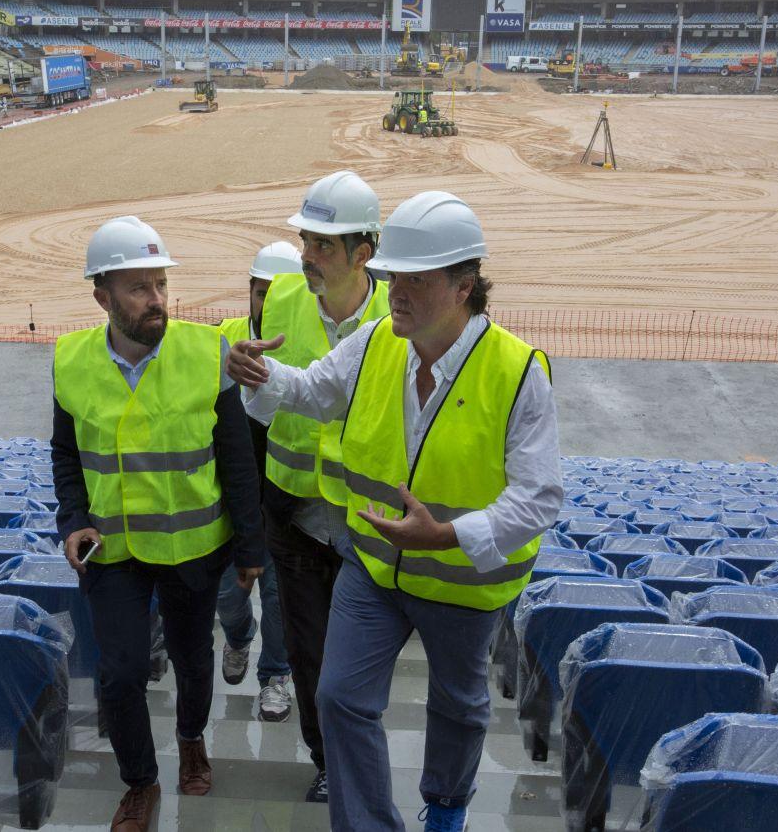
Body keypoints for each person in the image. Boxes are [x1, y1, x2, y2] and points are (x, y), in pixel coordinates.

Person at [228, 191, 563, 832]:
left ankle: (444, 806)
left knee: (460, 708)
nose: (396, 293)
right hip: (376, 568)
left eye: (416, 280)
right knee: (340, 697)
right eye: (394, 278)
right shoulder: (378, 341)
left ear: (465, 286)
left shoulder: (519, 372)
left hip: (465, 581)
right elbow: (312, 390)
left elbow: (540, 494)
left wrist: (451, 533)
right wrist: (260, 375)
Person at [52, 216, 265, 832]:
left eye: (161, 285)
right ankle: (139, 782)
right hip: (111, 550)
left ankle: (192, 738)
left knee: (194, 660)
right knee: (120, 675)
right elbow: (66, 453)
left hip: (193, 548)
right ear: (103, 297)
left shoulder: (207, 355)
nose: (157, 300)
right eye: (140, 288)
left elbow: (236, 457)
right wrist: (73, 520)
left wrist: (250, 545)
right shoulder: (71, 360)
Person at [253, 170, 389, 804]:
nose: (307, 257)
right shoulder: (279, 297)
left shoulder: (402, 316)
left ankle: (357, 749)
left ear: (365, 253)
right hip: (295, 516)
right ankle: (327, 759)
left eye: (323, 246)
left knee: (357, 661)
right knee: (308, 653)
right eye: (306, 241)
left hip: (369, 524)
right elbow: (249, 394)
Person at [216, 241, 303, 722]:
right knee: (230, 596)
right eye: (260, 292)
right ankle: (237, 637)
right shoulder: (221, 340)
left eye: (277, 292)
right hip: (234, 500)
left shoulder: (310, 344)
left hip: (287, 501)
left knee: (279, 599)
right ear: (248, 292)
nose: (267, 303)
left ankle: (275, 675)